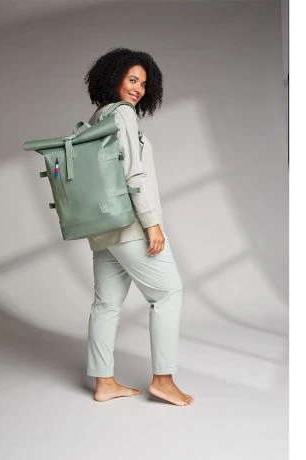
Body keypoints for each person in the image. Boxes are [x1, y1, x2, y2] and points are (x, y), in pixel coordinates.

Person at [83, 48, 194, 406]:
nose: (138, 89)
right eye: (132, 80)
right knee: (168, 292)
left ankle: (104, 382)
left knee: (106, 304)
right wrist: (153, 224)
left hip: (102, 227)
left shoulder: (97, 117)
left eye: (144, 84)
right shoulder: (123, 114)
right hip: (128, 224)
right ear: (114, 77)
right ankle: (163, 380)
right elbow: (135, 174)